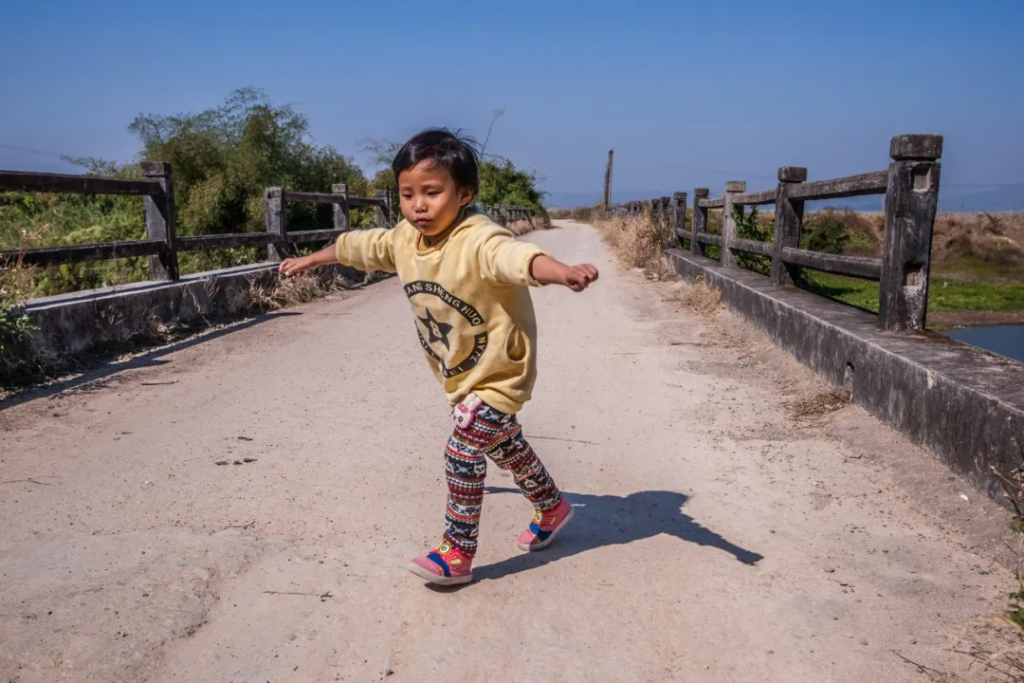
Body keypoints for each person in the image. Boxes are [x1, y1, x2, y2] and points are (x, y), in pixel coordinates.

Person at [279, 129, 598, 586]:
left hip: (501, 372)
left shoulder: (478, 239)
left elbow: (516, 257)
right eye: (407, 194)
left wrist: (562, 272)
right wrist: (311, 260)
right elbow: (360, 247)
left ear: (464, 193)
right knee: (505, 445)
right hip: (460, 374)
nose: (418, 206)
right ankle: (551, 506)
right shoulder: (405, 239)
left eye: (432, 192)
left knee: (462, 449)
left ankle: (457, 552)